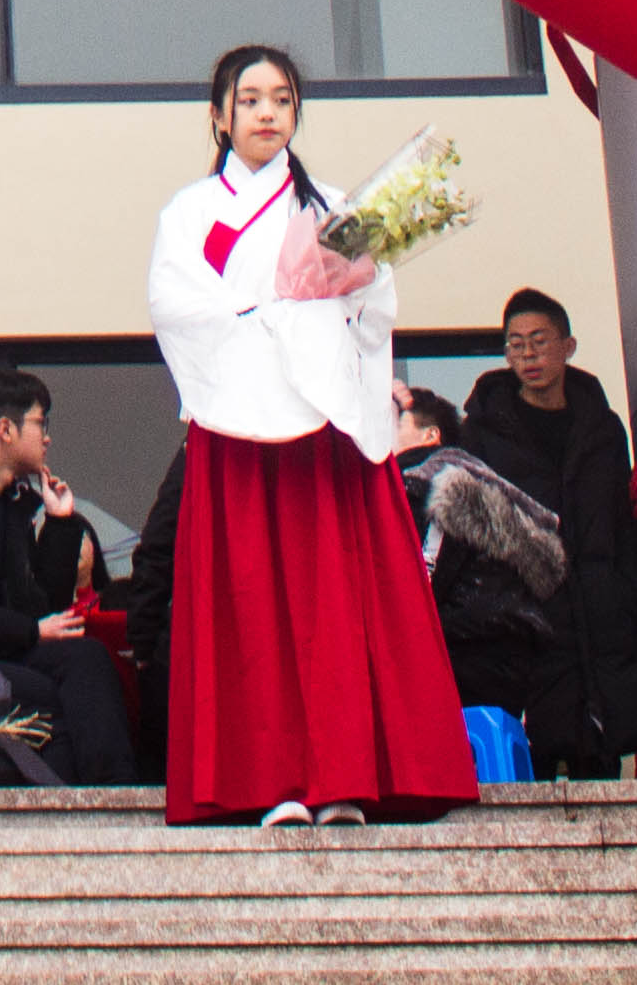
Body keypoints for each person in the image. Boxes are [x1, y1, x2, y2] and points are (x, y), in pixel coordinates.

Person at [140, 43, 471, 829]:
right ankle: (269, 779)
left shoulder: (330, 205)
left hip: (322, 424)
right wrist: (273, 315)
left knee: (332, 605)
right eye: (250, 98)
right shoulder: (191, 211)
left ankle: (342, 775)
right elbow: (177, 306)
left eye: (282, 99)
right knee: (253, 605)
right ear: (219, 115)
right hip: (242, 426)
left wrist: (332, 297)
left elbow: (373, 307)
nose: (267, 112)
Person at [447, 287, 637, 778]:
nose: (528, 355)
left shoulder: (603, 429)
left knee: (599, 753)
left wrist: (630, 596)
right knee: (526, 752)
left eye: (539, 341)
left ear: (568, 346)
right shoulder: (482, 432)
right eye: (515, 345)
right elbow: (462, 529)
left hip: (598, 607)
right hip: (522, 613)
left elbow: (624, 522)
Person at [0, 366, 134, 786]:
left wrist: (59, 524)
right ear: (6, 429)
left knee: (87, 658)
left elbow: (42, 607)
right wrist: (32, 631)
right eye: (41, 423)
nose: (47, 437)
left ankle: (113, 792)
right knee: (52, 699)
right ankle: (98, 800)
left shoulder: (13, 502)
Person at [393, 384, 579, 772]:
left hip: (461, 663)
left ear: (430, 435)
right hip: (513, 667)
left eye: (396, 424)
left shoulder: (433, 481)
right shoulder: (492, 485)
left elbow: (418, 589)